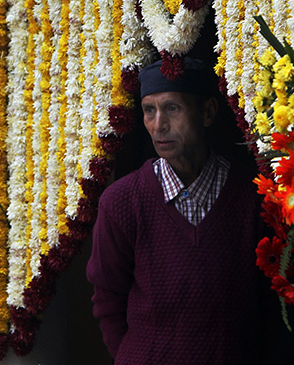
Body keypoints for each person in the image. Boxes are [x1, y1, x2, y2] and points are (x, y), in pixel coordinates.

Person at [86, 57, 275, 364]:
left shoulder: (252, 195)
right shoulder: (121, 202)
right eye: (149, 110)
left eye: (172, 108)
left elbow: (270, 303)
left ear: (208, 112)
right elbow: (108, 300)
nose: (159, 124)